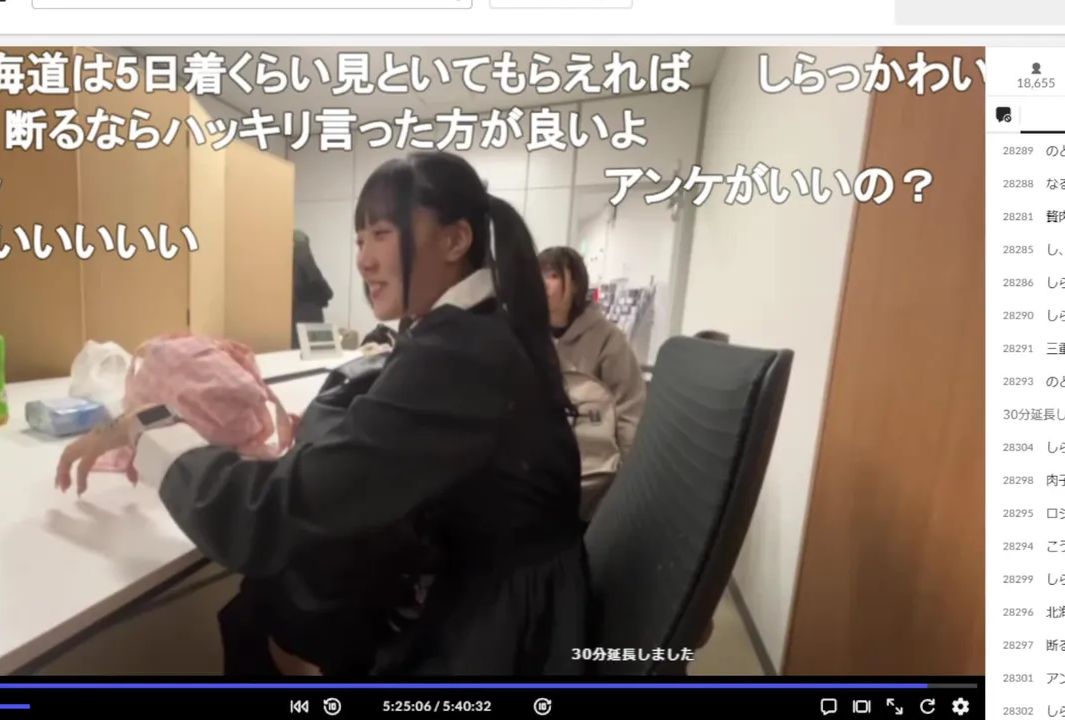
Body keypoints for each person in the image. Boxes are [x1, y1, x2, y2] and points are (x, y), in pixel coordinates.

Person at [55, 152, 589, 676]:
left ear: (455, 240)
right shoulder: (476, 328)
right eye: (360, 240)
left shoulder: (457, 353)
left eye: (382, 233)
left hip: (500, 635)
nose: (363, 259)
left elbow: (267, 514)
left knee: (273, 609)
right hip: (512, 599)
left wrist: (149, 427)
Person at [538, 247, 647, 518]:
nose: (543, 283)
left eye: (553, 275)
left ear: (575, 284)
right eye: (537, 274)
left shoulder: (608, 340)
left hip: (591, 478)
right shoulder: (530, 334)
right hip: (540, 473)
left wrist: (627, 483)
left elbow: (629, 410)